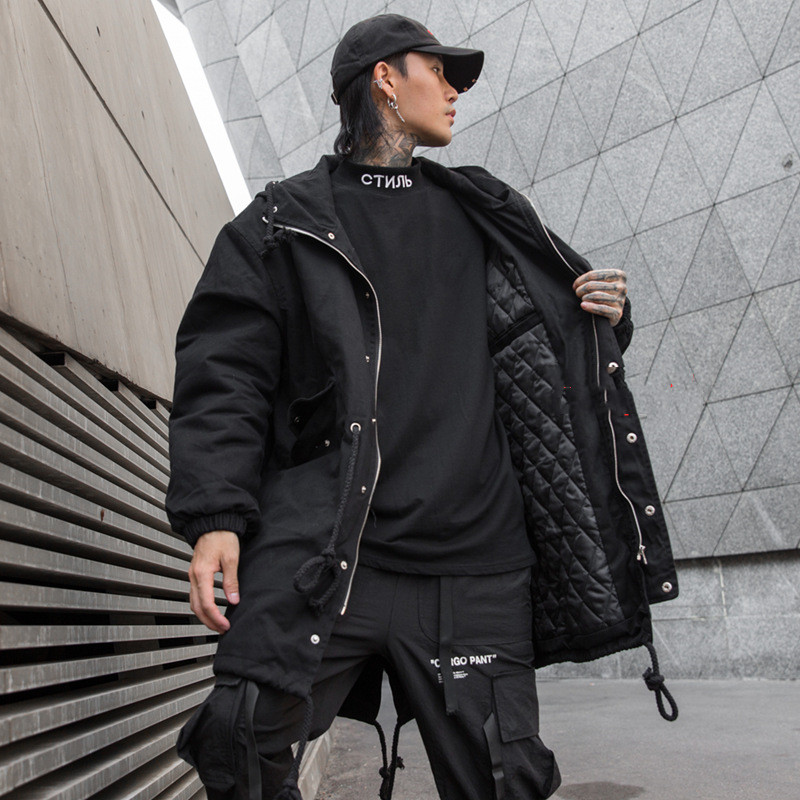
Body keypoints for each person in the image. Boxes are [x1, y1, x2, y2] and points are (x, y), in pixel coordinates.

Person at [166, 13, 679, 800]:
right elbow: (223, 374)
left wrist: (608, 314)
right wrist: (215, 517)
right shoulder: (282, 223)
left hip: (477, 568)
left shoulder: (485, 211)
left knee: (504, 781)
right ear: (384, 78)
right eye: (438, 71)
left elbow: (562, 332)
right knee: (237, 742)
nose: (454, 89)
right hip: (331, 558)